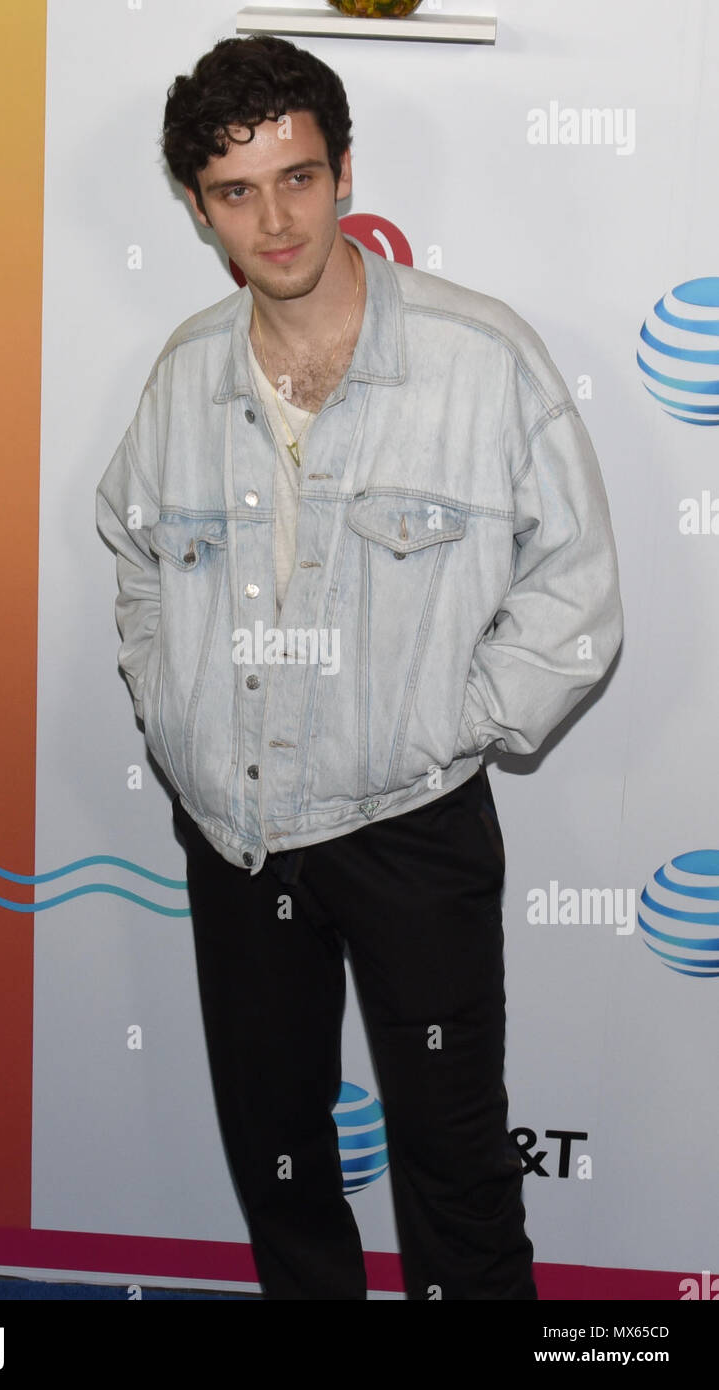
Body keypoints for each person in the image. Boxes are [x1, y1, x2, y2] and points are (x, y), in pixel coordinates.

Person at [95, 35, 623, 1300]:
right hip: (235, 840)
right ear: (194, 203)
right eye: (235, 190)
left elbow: (578, 588)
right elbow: (134, 562)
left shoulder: (478, 356)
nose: (274, 221)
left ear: (342, 175)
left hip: (409, 829)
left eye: (297, 177)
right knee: (280, 1171)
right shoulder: (179, 380)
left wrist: (453, 726)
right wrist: (176, 723)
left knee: (456, 1174)